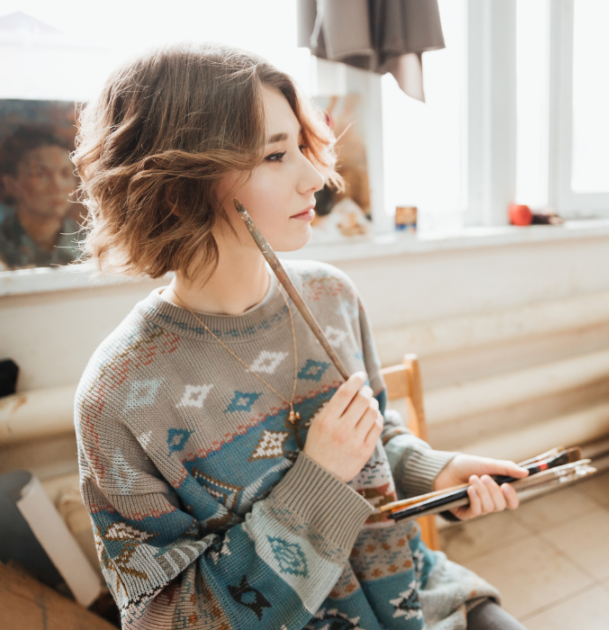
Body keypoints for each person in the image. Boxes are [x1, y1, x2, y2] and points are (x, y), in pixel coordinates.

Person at [73, 43, 529, 630]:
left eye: (302, 148)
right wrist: (317, 480)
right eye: (274, 156)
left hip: (418, 597)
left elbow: (371, 440)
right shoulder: (117, 396)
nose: (315, 177)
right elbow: (168, 617)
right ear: (177, 188)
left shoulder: (330, 296)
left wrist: (437, 473)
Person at [0, 126, 80, 269]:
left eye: (65, 173)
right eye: (41, 174)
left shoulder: (90, 244)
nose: (57, 186)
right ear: (11, 184)